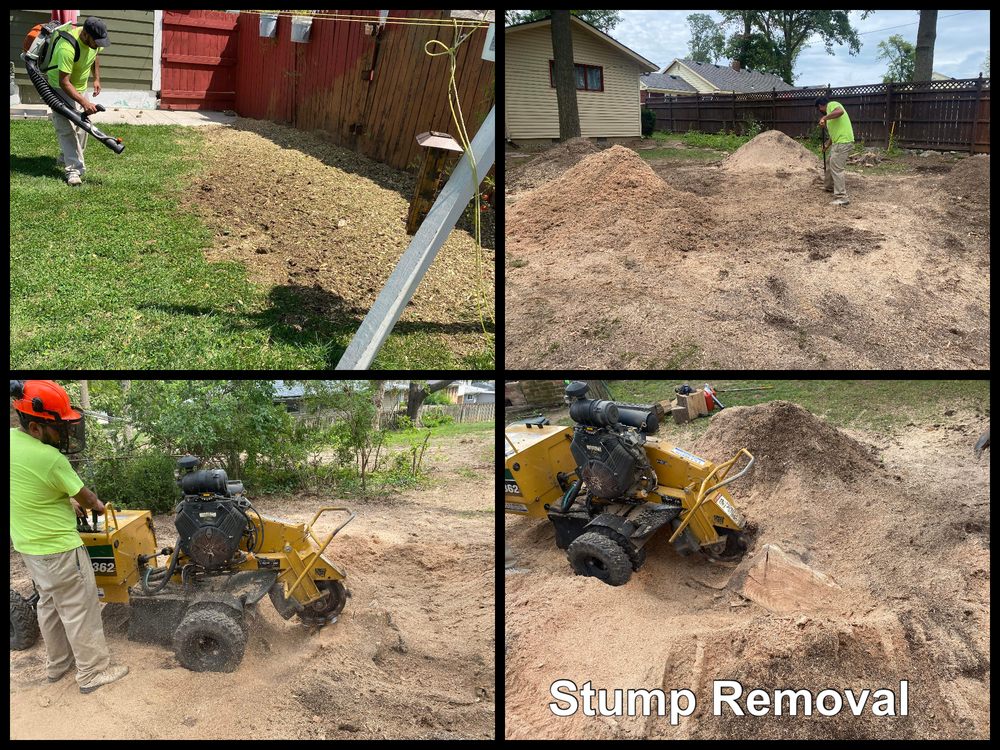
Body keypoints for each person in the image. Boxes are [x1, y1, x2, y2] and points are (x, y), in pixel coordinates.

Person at [9, 380, 129, 694]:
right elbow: (89, 500)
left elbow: (29, 486)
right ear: (35, 427)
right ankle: (92, 673)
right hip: (59, 548)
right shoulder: (51, 460)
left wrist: (62, 501)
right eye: (57, 427)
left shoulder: (11, 442)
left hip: (29, 547)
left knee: (48, 604)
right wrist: (97, 506)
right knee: (80, 607)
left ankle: (58, 664)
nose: (62, 433)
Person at [45, 16, 110, 186]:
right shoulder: (67, 47)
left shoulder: (93, 41)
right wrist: (84, 102)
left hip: (79, 86)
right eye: (96, 42)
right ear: (86, 35)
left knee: (83, 128)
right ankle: (74, 170)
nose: (99, 45)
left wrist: (96, 79)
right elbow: (64, 82)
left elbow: (95, 55)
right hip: (59, 89)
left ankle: (66, 157)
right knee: (66, 129)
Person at [816, 96, 855, 206]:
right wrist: (827, 146)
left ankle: (842, 197)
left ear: (820, 106)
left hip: (842, 142)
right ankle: (829, 186)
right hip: (838, 143)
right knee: (829, 163)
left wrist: (824, 118)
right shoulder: (831, 117)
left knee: (837, 169)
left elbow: (840, 111)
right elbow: (833, 135)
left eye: (819, 110)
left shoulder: (832, 105)